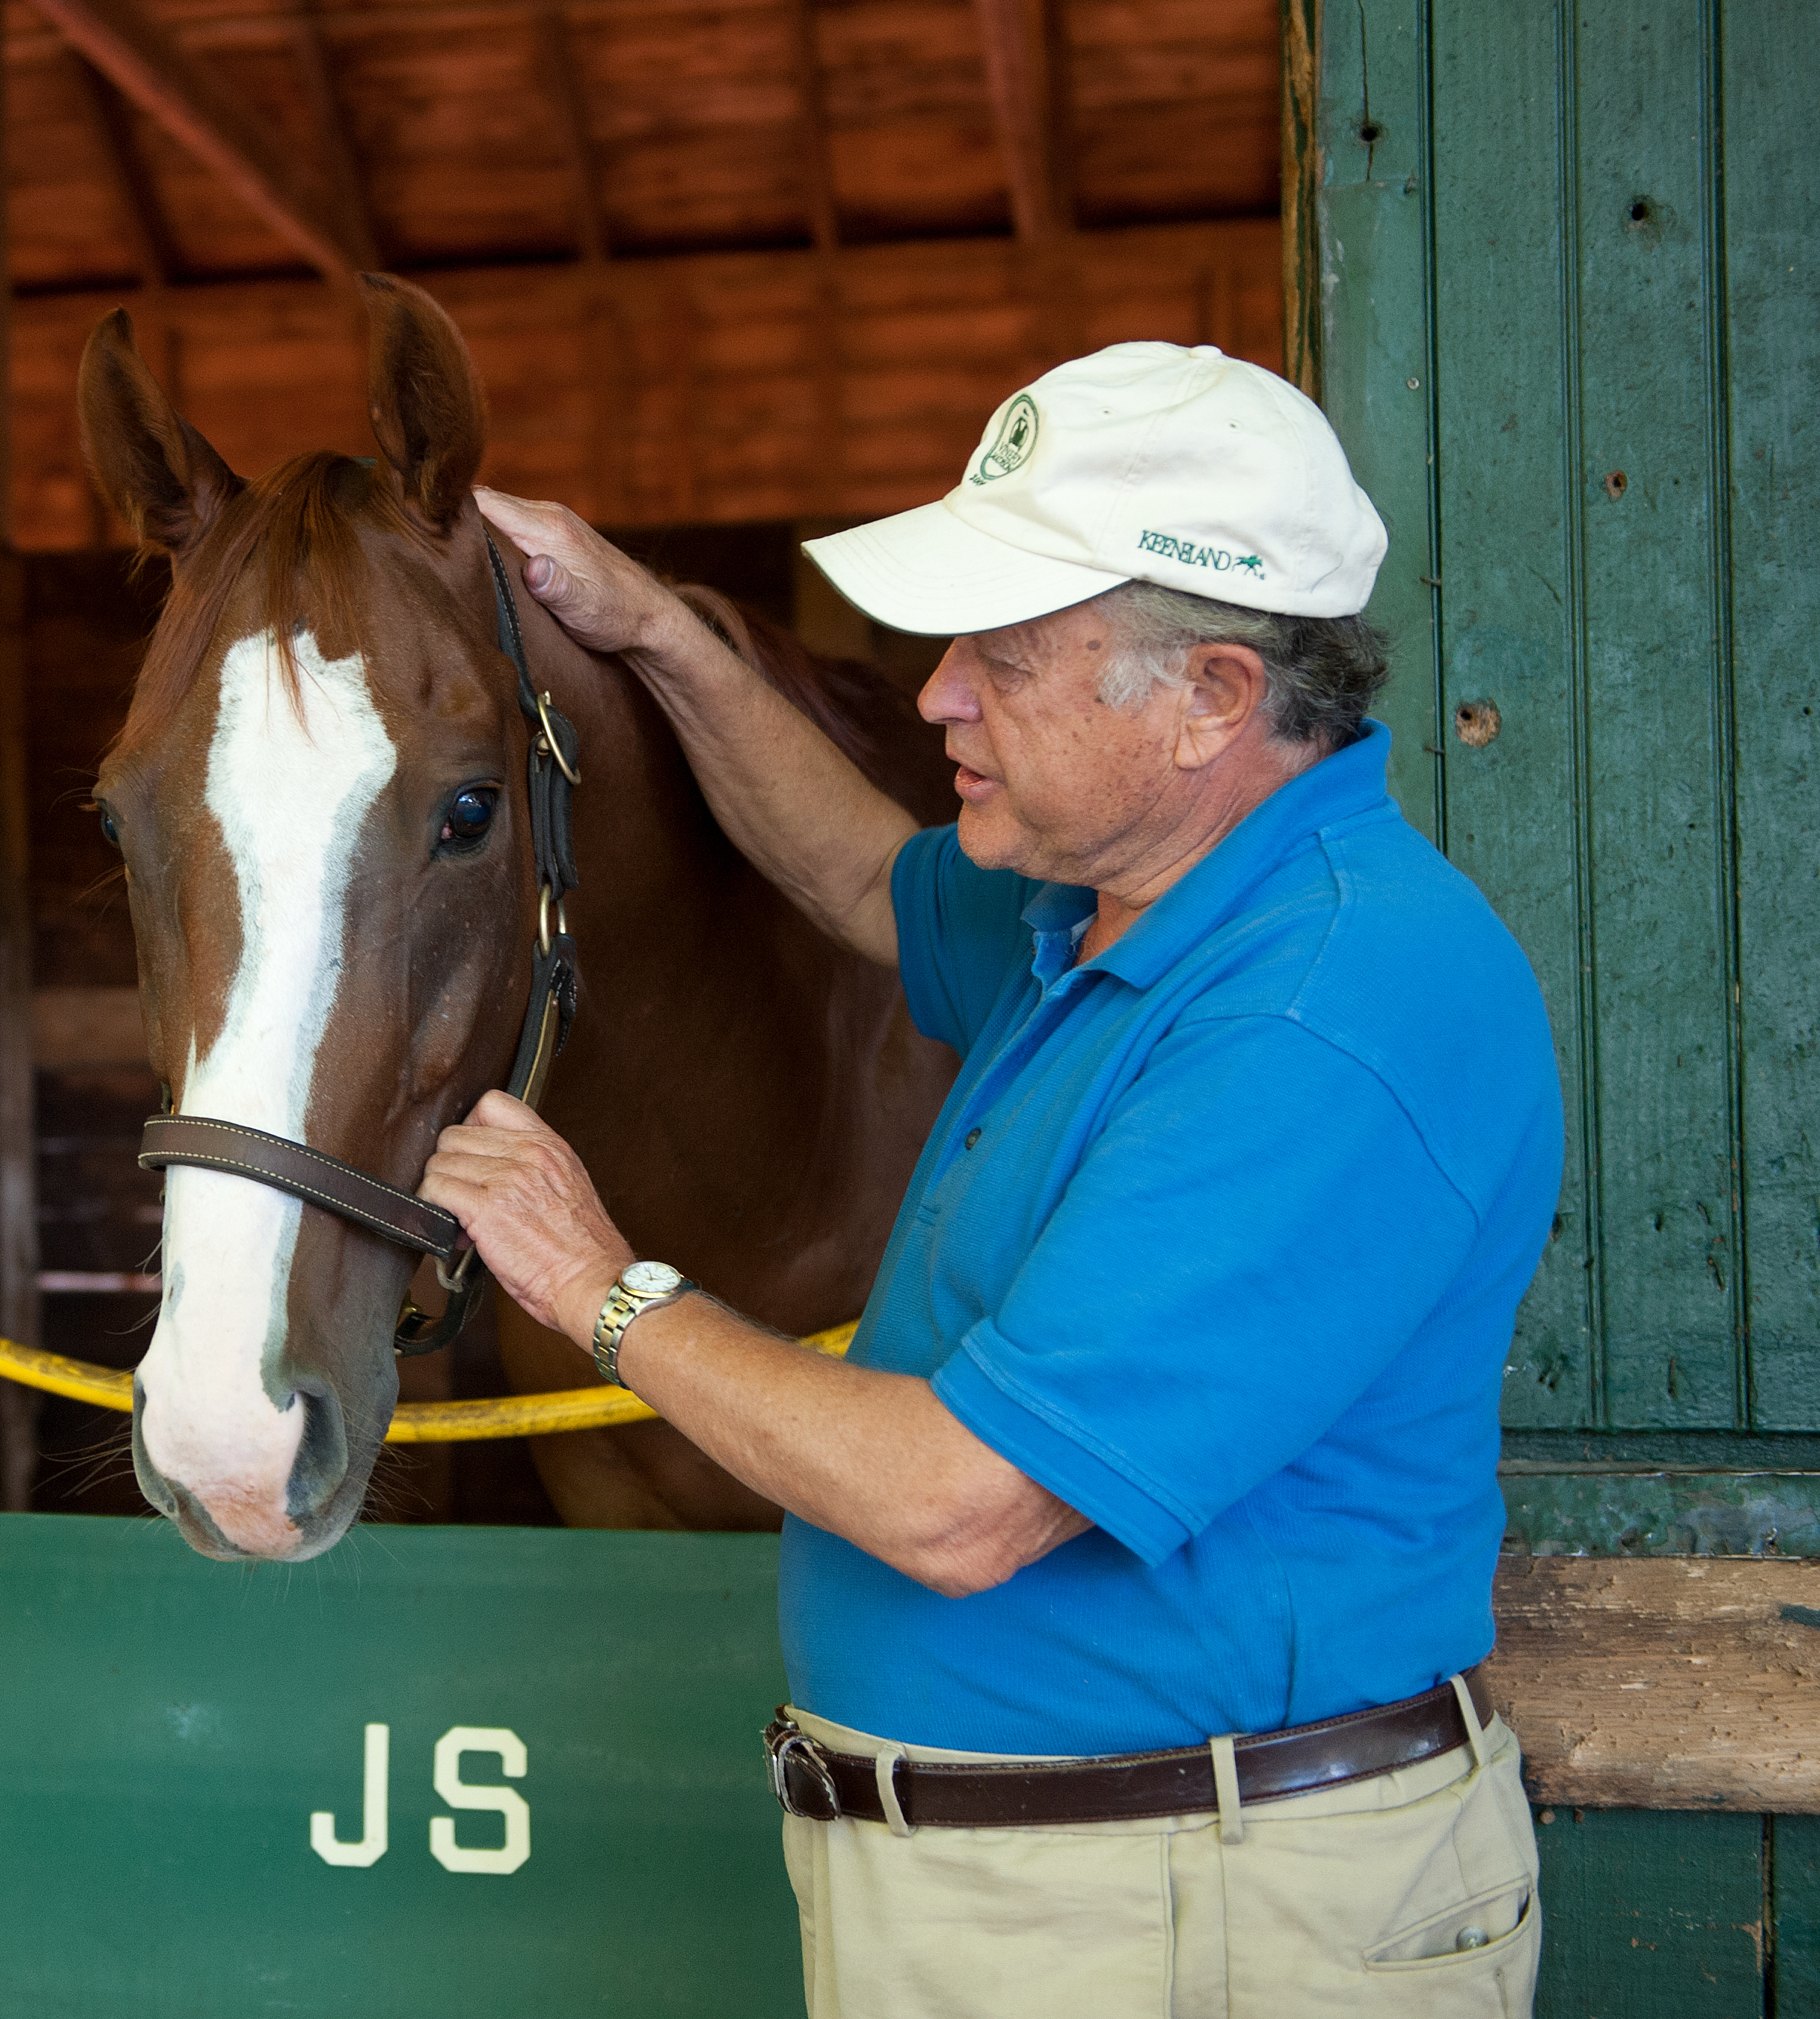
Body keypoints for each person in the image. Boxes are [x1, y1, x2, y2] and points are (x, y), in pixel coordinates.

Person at [421, 342, 1563, 2017]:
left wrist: (598, 1283)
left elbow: (957, 1507)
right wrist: (659, 632)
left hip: (1196, 1913)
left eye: (1007, 657)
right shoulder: (1106, 903)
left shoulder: (1325, 1006)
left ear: (1213, 701)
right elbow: (864, 881)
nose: (938, 691)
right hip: (1079, 1880)